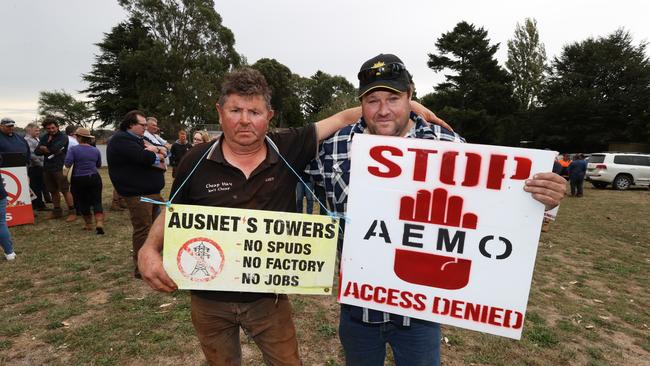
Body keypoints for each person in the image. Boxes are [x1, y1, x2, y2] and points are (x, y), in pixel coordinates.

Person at [136, 67, 445, 366]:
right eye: (235, 110)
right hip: (207, 298)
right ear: (219, 112)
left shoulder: (289, 147)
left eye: (254, 112)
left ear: (269, 118)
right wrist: (150, 248)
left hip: (267, 300)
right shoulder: (195, 159)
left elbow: (343, 117)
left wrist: (410, 105)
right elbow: (173, 209)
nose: (245, 121)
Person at [307, 54, 567, 366]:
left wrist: (546, 202)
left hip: (421, 311)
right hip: (358, 307)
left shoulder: (447, 143)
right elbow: (276, 155)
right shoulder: (335, 146)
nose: (383, 109)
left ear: (410, 96)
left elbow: (495, 207)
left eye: (393, 98)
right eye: (372, 100)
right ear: (360, 103)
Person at [107, 110, 166, 278]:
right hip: (138, 195)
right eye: (143, 125)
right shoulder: (121, 140)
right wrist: (157, 153)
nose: (145, 128)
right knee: (144, 229)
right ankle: (142, 267)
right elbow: (144, 158)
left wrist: (157, 151)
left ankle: (155, 259)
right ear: (131, 124)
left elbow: (164, 152)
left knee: (161, 227)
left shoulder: (139, 139)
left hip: (153, 192)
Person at [64, 128, 104, 234]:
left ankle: (88, 224)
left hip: (78, 179)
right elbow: (98, 164)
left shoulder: (73, 150)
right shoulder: (95, 150)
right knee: (97, 201)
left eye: (76, 136)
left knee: (83, 202)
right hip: (94, 177)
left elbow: (67, 164)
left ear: (80, 137)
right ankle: (99, 222)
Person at [36, 118, 75, 221]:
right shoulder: (45, 136)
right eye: (48, 128)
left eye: (53, 127)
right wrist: (47, 149)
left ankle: (72, 212)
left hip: (59, 167)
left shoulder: (63, 137)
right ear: (45, 129)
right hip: (47, 167)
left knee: (65, 190)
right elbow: (37, 151)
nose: (51, 130)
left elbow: (55, 149)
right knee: (53, 190)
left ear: (57, 127)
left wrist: (46, 147)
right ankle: (57, 211)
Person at [24, 123, 47, 210]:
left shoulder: (36, 139)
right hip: (34, 167)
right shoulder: (27, 140)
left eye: (38, 130)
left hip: (39, 166)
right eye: (36, 130)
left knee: (39, 186)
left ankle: (39, 204)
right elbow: (32, 155)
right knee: (35, 186)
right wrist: (41, 165)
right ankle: (38, 205)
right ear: (29, 130)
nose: (38, 132)